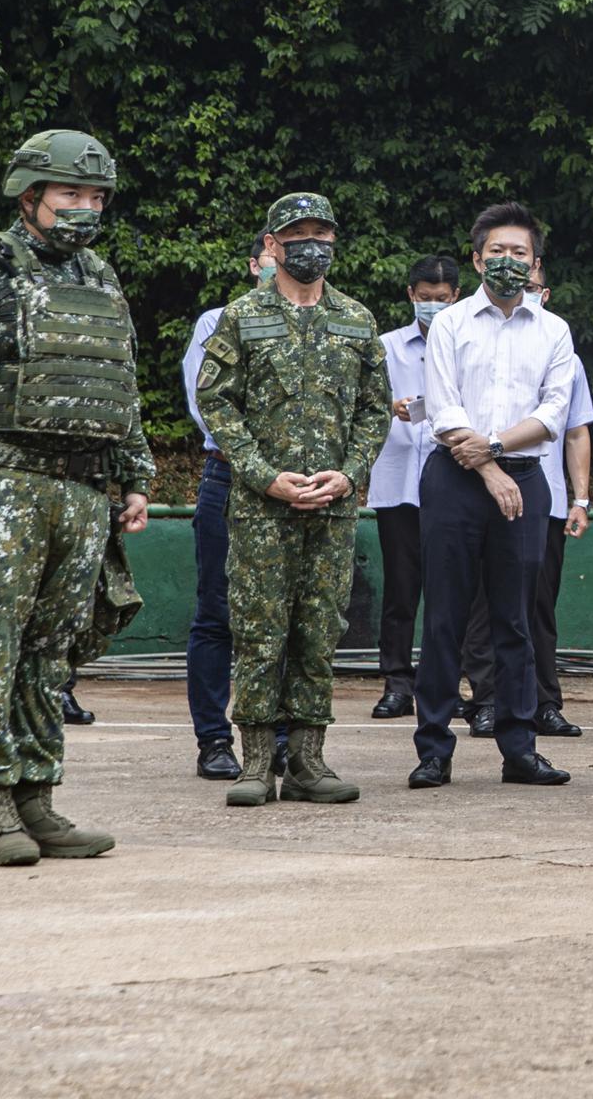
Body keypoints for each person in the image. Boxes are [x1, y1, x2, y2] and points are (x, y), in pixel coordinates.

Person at [0, 129, 152, 866]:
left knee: (50, 653)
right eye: (69, 195)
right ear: (30, 196)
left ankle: (37, 799)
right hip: (4, 484)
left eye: (95, 197)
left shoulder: (100, 277)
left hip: (82, 491)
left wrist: (135, 478)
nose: (85, 209)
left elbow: (119, 384)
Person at [192, 192, 391, 808]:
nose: (313, 245)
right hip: (261, 507)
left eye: (322, 234)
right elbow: (215, 400)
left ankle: (307, 761)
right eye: (298, 234)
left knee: (317, 631)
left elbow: (374, 408)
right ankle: (256, 762)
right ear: (272, 246)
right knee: (258, 630)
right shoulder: (241, 316)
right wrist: (261, 474)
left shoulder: (356, 319)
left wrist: (351, 473)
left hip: (331, 508)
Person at [410, 201, 574, 789]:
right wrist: (487, 469)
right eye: (497, 252)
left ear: (536, 265)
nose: (508, 262)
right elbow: (443, 405)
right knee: (445, 617)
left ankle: (519, 748)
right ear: (477, 258)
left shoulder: (554, 330)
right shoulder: (450, 323)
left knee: (515, 619)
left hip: (524, 478)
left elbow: (554, 411)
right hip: (454, 479)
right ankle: (433, 747)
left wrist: (498, 451)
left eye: (520, 254)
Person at [466, 257, 592, 739]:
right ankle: (488, 699)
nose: (526, 291)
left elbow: (577, 430)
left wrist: (581, 498)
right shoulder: (473, 337)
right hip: (480, 487)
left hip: (545, 498)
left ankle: (544, 701)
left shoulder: (562, 348)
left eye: (535, 285)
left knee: (538, 606)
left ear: (546, 292)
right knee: (485, 603)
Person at [178, 236, 271, 778]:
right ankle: (214, 740)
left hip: (299, 487)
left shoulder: (330, 320)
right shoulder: (217, 322)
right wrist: (264, 469)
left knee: (287, 616)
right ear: (256, 261)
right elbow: (204, 402)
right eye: (275, 253)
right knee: (217, 613)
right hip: (230, 477)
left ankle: (283, 739)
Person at [368, 255, 457, 718]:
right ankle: (397, 682)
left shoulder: (468, 343)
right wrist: (390, 404)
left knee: (451, 591)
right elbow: (359, 401)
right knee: (401, 589)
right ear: (410, 296)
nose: (433, 307)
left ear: (456, 298)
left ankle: (444, 682)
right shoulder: (384, 347)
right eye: (425, 299)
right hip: (399, 480)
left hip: (453, 482)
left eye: (441, 300)